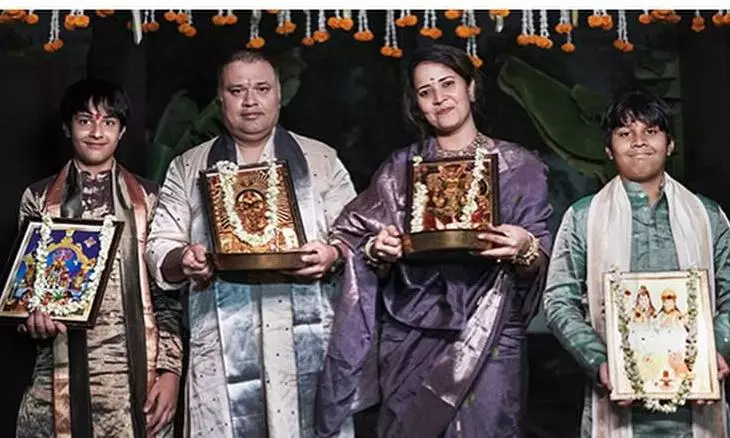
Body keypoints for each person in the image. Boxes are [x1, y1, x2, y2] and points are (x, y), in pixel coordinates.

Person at [315, 44, 552, 438]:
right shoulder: (400, 169)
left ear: (471, 88)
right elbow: (354, 236)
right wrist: (378, 249)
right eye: (426, 91)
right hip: (410, 331)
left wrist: (524, 247)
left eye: (448, 84)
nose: (439, 98)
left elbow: (537, 262)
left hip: (491, 331)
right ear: (417, 105)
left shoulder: (519, 167)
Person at [145, 49, 357, 437]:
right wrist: (183, 258)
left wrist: (333, 253)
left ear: (279, 94)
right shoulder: (188, 166)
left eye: (261, 89)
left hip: (308, 337)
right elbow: (160, 244)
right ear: (220, 98)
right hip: (220, 340)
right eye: (237, 90)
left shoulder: (321, 159)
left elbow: (355, 233)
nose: (250, 101)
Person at [544, 90, 730, 437]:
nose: (639, 141)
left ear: (670, 144)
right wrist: (599, 360)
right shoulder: (583, 217)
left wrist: (714, 351)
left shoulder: (708, 216)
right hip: (615, 399)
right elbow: (558, 301)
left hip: (696, 403)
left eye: (651, 131)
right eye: (625, 133)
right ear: (609, 149)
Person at [15, 79, 183, 437]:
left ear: (122, 131)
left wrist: (171, 372)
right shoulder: (38, 198)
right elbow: (25, 291)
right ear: (67, 127)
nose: (96, 132)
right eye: (84, 121)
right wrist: (31, 317)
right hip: (56, 376)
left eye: (108, 122)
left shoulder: (149, 198)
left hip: (136, 378)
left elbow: (167, 295)